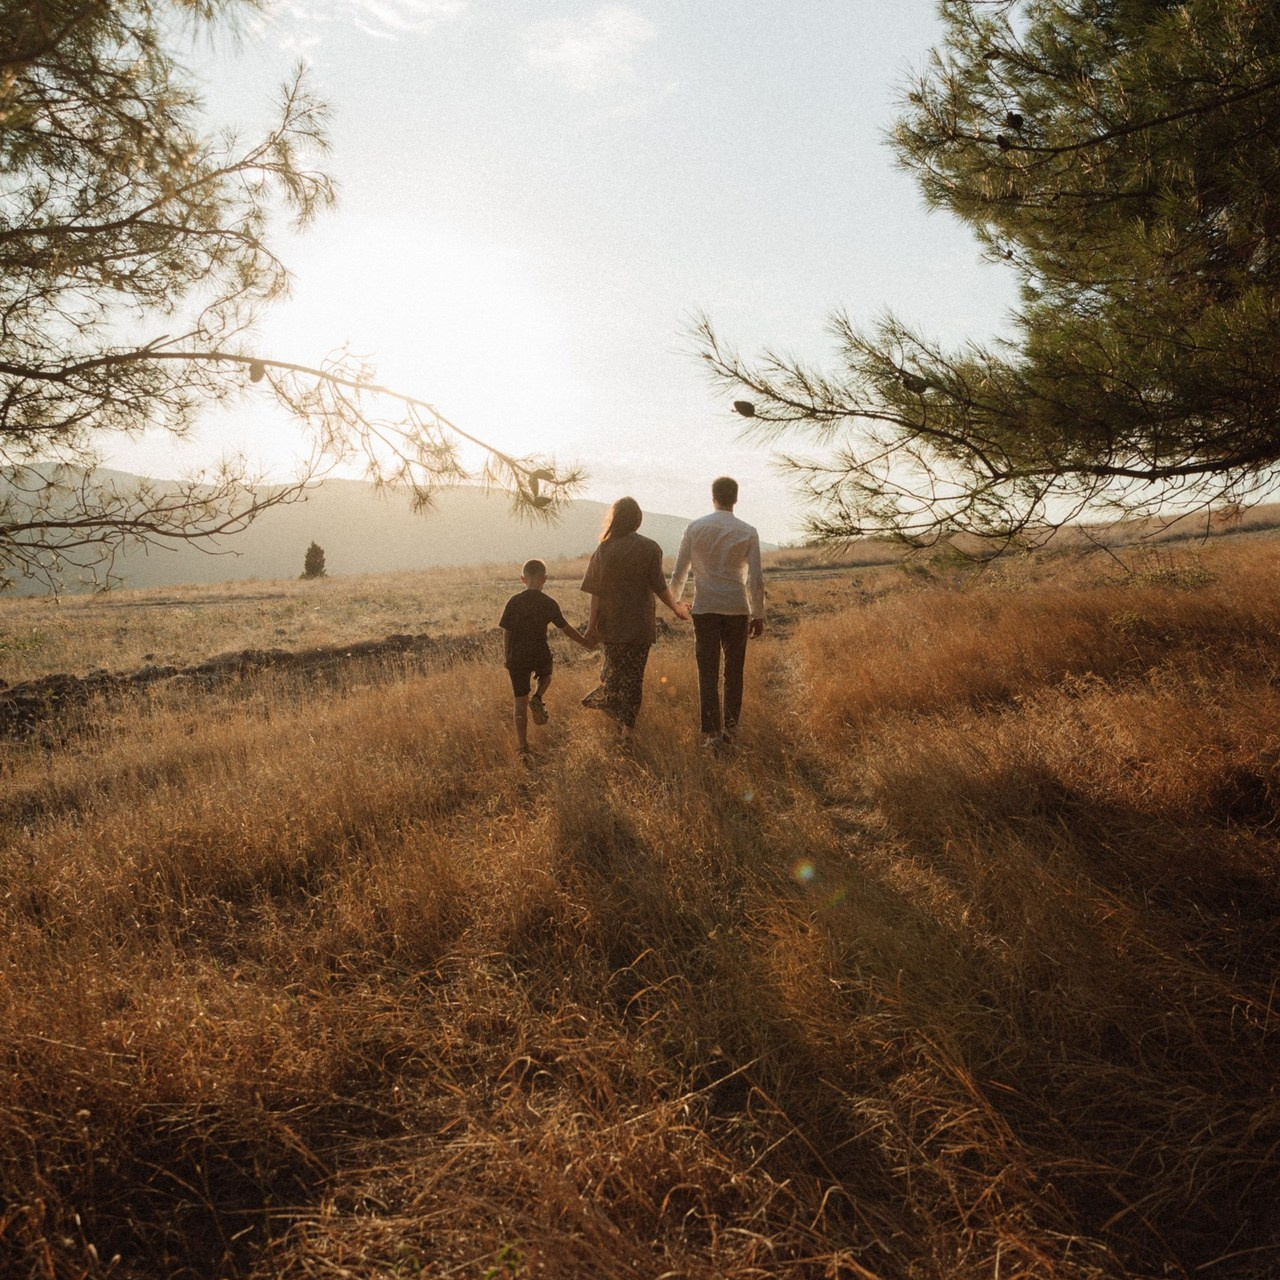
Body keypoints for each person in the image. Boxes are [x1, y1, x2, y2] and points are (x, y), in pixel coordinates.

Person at [580, 497, 690, 737]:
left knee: (613, 673)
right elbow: (660, 587)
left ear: (615, 519)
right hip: (640, 626)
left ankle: (612, 710)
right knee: (633, 678)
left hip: (611, 625)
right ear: (638, 520)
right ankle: (627, 729)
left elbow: (595, 593)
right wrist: (675, 607)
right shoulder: (650, 548)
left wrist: (592, 626)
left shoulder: (603, 549)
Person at [668, 476, 765, 748]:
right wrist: (758, 613)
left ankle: (712, 734)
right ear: (735, 499)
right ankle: (731, 732)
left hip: (706, 607)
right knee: (734, 671)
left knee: (707, 671)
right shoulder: (748, 531)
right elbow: (755, 577)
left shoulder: (695, 528)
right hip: (736, 607)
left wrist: (675, 603)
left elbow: (680, 572)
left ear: (713, 497)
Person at [499, 558, 594, 753]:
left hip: (517, 655)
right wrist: (585, 642)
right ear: (545, 579)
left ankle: (523, 747)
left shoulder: (514, 601)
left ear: (522, 579)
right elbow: (566, 629)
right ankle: (539, 695)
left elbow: (506, 631)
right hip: (539, 652)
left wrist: (507, 655)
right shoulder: (549, 603)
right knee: (547, 675)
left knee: (519, 704)